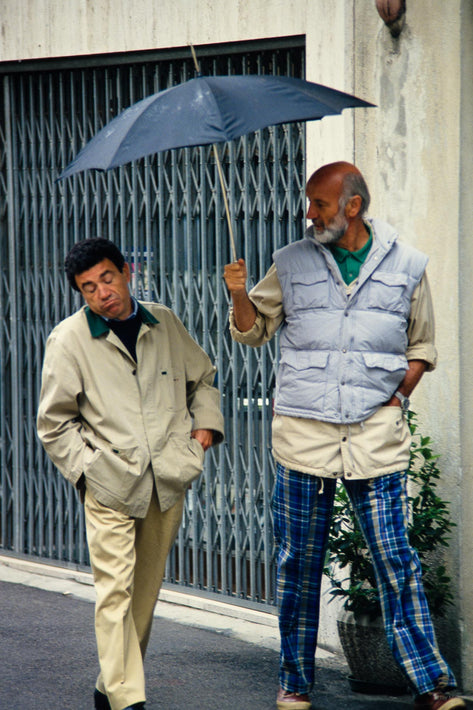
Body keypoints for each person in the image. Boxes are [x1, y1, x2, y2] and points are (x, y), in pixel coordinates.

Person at [223, 162, 465, 710]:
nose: (310, 214)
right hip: (303, 436)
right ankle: (294, 682)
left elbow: (421, 346)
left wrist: (397, 398)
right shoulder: (289, 262)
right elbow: (252, 332)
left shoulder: (407, 265)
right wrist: (238, 293)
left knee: (395, 558)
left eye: (320, 205)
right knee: (298, 564)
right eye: (310, 204)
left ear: (352, 206)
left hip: (374, 436)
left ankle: (431, 684)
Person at [37, 238, 224, 710]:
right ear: (80, 294)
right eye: (88, 287)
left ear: (126, 272)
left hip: (167, 478)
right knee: (114, 590)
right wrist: (88, 473)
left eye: (107, 278)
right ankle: (126, 698)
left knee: (144, 592)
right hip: (110, 485)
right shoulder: (69, 340)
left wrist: (202, 430)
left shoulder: (164, 323)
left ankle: (111, 684)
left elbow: (201, 377)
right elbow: (54, 423)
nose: (102, 293)